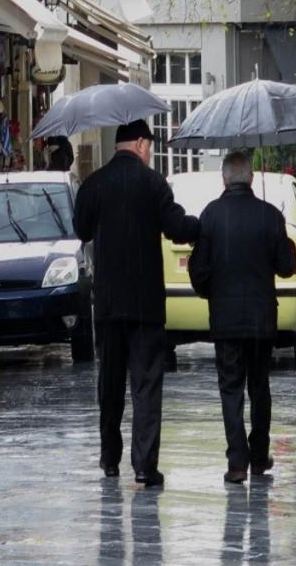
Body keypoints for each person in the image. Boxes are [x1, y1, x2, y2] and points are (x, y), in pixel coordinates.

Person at [73, 119, 199, 487]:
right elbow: (177, 227)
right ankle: (144, 465)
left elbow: (80, 229)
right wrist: (201, 226)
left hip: (108, 304)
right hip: (145, 305)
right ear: (142, 144)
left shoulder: (94, 184)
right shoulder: (153, 184)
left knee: (109, 385)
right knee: (145, 387)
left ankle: (110, 459)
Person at [187, 153, 296, 483]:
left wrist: (212, 294)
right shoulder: (269, 215)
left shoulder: (210, 215)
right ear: (250, 178)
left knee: (231, 389)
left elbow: (199, 270)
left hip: (225, 319)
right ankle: (260, 456)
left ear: (224, 179)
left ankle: (237, 462)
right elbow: (286, 267)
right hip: (262, 320)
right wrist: (282, 232)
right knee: (259, 388)